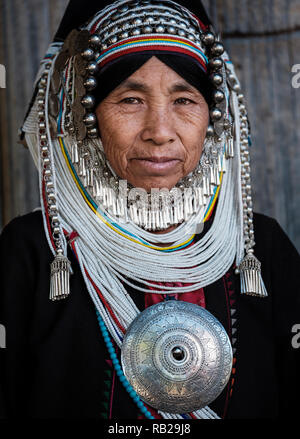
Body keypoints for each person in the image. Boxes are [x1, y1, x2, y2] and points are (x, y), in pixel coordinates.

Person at [0, 0, 299, 420]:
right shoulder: (37, 250)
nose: (159, 131)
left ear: (211, 118)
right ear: (88, 118)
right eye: (130, 99)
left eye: (184, 100)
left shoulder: (260, 247)